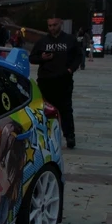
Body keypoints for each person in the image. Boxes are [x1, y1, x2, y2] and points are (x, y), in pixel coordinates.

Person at [29, 17, 82, 149]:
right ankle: (45, 135)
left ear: (61, 24)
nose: (52, 28)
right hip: (45, 81)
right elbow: (32, 58)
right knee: (45, 110)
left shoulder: (70, 40)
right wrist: (42, 58)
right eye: (50, 25)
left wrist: (70, 70)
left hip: (64, 81)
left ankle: (69, 136)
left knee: (66, 110)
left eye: (55, 25)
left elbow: (78, 57)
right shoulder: (42, 41)